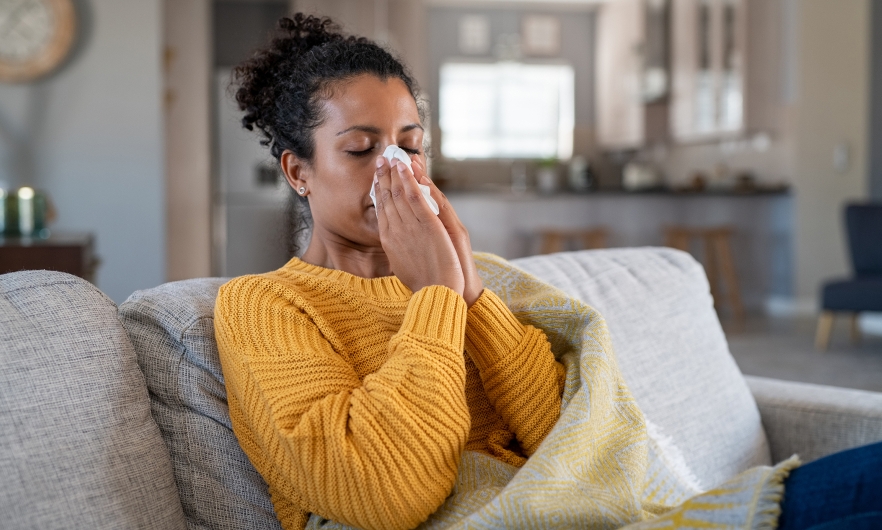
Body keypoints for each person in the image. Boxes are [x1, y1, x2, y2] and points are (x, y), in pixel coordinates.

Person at [214, 13, 882, 530]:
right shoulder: (265, 306)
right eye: (361, 149)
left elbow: (568, 435)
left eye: (411, 148)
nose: (396, 170)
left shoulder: (473, 279)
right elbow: (384, 491)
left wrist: (472, 294)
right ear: (298, 170)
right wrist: (440, 300)